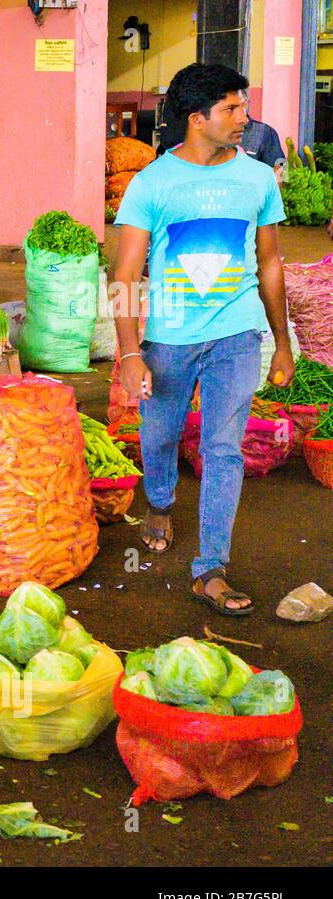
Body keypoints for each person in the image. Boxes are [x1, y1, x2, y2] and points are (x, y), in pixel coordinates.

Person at [111, 63, 294, 617]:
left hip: (237, 334)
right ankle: (161, 504)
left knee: (222, 449)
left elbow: (268, 262)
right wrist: (128, 351)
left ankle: (210, 568)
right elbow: (123, 276)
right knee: (160, 435)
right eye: (232, 109)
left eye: (244, 106)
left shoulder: (257, 178)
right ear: (197, 118)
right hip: (168, 337)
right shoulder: (153, 183)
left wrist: (280, 340)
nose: (245, 118)